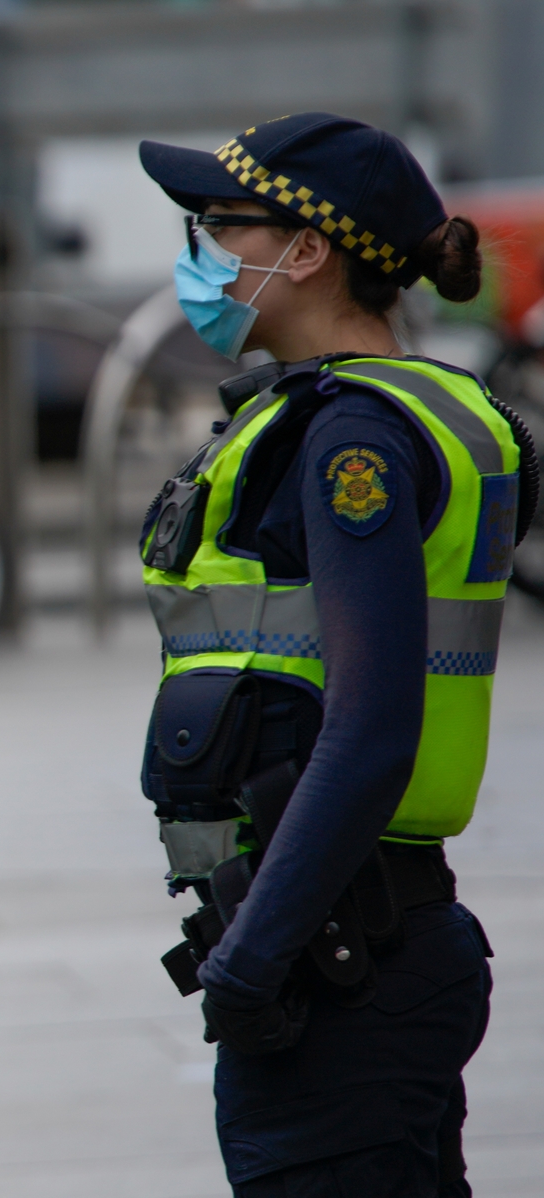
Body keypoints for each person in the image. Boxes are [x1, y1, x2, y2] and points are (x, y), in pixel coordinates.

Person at [136, 113, 531, 1196]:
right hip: (355, 930)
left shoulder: (351, 437)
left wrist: (250, 959)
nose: (200, 253)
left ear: (307, 250)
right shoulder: (359, 411)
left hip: (343, 948)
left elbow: (369, 730)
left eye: (220, 225)